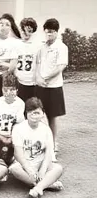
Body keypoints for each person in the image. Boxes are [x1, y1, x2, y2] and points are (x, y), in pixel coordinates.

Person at [9, 98, 64, 198]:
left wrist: (43, 170)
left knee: (58, 168)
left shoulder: (46, 129)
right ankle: (46, 184)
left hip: (40, 163)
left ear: (42, 114)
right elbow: (17, 153)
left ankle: (37, 188)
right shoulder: (18, 128)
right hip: (25, 165)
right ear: (26, 114)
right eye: (31, 113)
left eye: (37, 113)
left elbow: (48, 152)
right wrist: (28, 169)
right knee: (14, 168)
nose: (34, 116)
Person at [34, 19, 68, 152]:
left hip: (54, 87)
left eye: (52, 32)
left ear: (56, 32)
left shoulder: (61, 47)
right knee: (40, 115)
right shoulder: (42, 46)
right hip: (41, 86)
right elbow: (37, 64)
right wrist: (38, 78)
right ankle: (42, 142)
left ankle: (53, 144)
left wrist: (45, 78)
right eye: (47, 32)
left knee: (52, 116)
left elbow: (61, 67)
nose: (49, 35)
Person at [0, 71, 26, 169]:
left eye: (12, 90)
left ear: (17, 90)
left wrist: (11, 138)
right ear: (2, 89)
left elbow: (19, 125)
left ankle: (15, 160)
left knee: (18, 150)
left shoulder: (20, 103)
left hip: (12, 137)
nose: (8, 93)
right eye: (5, 90)